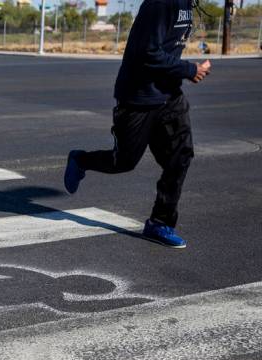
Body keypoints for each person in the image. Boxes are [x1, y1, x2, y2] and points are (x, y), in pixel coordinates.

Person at [65, 0, 211, 248]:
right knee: (123, 162)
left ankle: (159, 222)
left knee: (181, 156)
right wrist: (189, 69)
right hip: (138, 98)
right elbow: (147, 52)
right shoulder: (160, 3)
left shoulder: (186, 3)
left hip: (169, 96)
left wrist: (183, 72)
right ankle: (81, 160)